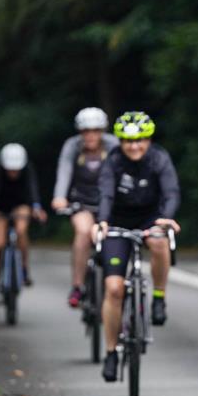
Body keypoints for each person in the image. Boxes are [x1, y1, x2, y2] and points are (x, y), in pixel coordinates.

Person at [93, 112, 181, 382]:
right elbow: (106, 193)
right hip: (117, 222)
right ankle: (110, 352)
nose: (134, 146)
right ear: (120, 141)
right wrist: (103, 221)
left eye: (140, 140)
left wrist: (166, 218)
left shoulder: (159, 158)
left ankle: (158, 297)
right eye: (128, 141)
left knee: (158, 241)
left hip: (150, 218)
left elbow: (171, 191)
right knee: (114, 288)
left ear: (149, 139)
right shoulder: (113, 162)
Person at [51, 107, 119, 307]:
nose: (90, 135)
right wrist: (59, 197)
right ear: (80, 132)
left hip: (109, 201)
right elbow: (64, 171)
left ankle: (118, 282)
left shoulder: (113, 144)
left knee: (116, 236)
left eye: (96, 130)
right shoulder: (72, 146)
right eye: (86, 131)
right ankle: (78, 285)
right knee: (83, 232)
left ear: (102, 131)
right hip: (81, 202)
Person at [0, 143, 47, 304]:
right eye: (10, 169)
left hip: (21, 206)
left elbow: (33, 190)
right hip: (0, 208)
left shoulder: (28, 170)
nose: (13, 173)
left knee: (21, 230)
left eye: (16, 170)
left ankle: (24, 268)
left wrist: (37, 207)